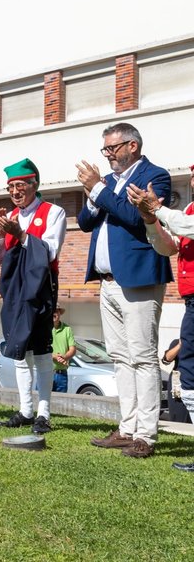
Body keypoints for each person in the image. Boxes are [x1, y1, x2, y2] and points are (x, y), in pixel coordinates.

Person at [77, 122, 173, 459]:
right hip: (107, 281)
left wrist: (100, 191)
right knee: (119, 357)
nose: (108, 155)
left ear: (132, 146)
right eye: (104, 149)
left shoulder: (155, 176)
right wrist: (94, 194)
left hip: (140, 278)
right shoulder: (108, 183)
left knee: (143, 357)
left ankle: (146, 434)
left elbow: (138, 219)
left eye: (113, 148)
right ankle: (128, 426)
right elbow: (85, 222)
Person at [0, 158, 67, 434]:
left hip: (40, 288)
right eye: (11, 188)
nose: (15, 192)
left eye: (20, 186)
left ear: (34, 185)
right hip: (13, 291)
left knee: (43, 352)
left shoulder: (53, 212)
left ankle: (43, 413)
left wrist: (20, 234)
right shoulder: (9, 218)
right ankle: (25, 409)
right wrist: (0, 235)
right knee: (20, 353)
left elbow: (50, 252)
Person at [127, 175, 194, 469]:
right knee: (190, 370)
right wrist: (151, 220)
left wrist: (158, 209)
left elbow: (184, 227)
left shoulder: (185, 215)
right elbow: (170, 247)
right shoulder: (189, 209)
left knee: (190, 370)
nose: (193, 180)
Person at [160, 339, 191, 424]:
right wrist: (180, 345)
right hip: (178, 385)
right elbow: (166, 360)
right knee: (178, 417)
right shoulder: (177, 342)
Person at [51, 306, 76, 393]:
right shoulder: (43, 328)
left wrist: (64, 357)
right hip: (45, 373)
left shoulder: (67, 329)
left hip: (62, 374)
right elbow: (39, 349)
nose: (54, 314)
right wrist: (54, 356)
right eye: (52, 311)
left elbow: (73, 349)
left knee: (60, 404)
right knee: (42, 402)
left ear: (59, 314)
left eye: (56, 311)